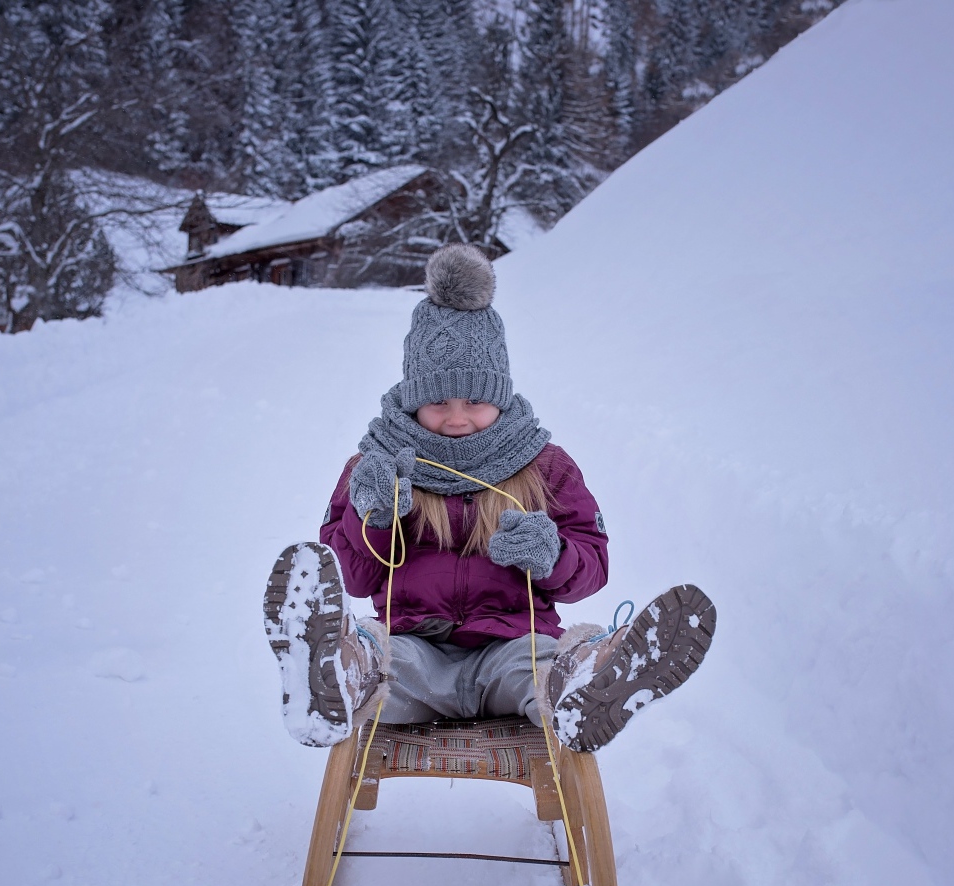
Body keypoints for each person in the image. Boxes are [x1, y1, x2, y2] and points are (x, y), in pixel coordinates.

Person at [263, 244, 715, 751]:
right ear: (414, 402)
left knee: (545, 670)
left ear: (498, 395)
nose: (457, 418)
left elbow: (593, 564)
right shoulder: (378, 466)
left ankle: (591, 683)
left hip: (511, 649)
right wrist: (373, 517)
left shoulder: (544, 466)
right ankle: (331, 675)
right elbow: (359, 577)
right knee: (379, 660)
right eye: (438, 402)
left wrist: (553, 556)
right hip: (415, 651)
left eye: (475, 401)